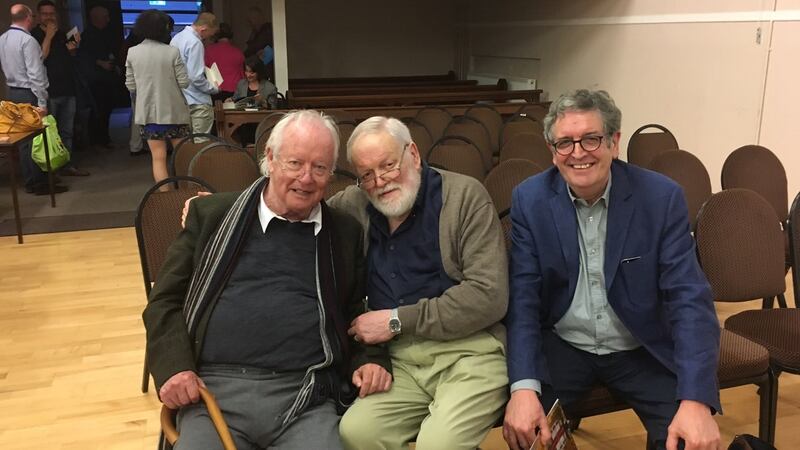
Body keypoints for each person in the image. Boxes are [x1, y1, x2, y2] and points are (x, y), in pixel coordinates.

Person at [144, 110, 389, 450]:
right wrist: (174, 368)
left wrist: (369, 360)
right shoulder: (213, 216)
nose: (306, 178)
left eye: (320, 168)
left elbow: (355, 313)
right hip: (214, 393)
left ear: (331, 173)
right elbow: (165, 301)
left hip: (306, 396)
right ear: (270, 159)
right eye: (295, 163)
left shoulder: (344, 233)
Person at [503, 89, 721, 450]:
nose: (578, 153)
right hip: (564, 345)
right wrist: (523, 387)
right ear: (552, 151)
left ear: (614, 142)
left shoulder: (661, 198)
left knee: (687, 441)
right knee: (530, 434)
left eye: (591, 139)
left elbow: (689, 299)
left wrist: (697, 401)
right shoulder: (531, 199)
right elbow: (523, 299)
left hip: (641, 345)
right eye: (565, 143)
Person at [330, 117, 509, 450]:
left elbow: (489, 296)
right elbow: (297, 207)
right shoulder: (354, 204)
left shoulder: (464, 197)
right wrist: (220, 207)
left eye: (388, 165)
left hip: (470, 354)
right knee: (356, 432)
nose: (380, 181)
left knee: (437, 445)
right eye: (367, 174)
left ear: (412, 153)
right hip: (402, 362)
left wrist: (397, 320)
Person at [0, 3, 69, 195]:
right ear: (29, 18)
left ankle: (31, 180)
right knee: (37, 141)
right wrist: (42, 102)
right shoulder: (27, 41)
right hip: (29, 92)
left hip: (13, 92)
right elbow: (36, 74)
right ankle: (39, 182)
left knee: (23, 142)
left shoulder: (3, 39)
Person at [125, 10, 190, 189]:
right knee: (181, 156)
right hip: (174, 112)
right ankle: (185, 193)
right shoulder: (172, 52)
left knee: (158, 158)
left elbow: (130, 86)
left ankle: (166, 198)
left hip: (149, 115)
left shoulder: (132, 52)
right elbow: (184, 82)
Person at [31, 0, 90, 176]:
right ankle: (51, 170)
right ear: (38, 16)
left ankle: (67, 164)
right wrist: (48, 36)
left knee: (67, 130)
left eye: (52, 13)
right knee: (50, 133)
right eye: (45, 14)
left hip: (68, 88)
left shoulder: (62, 34)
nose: (49, 17)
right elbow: (40, 58)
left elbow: (69, 60)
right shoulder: (33, 35)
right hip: (49, 91)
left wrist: (72, 49)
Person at [79, 4, 122, 148]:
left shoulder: (105, 33)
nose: (108, 20)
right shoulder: (87, 35)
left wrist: (114, 66)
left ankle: (104, 137)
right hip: (95, 80)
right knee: (98, 111)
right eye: (105, 17)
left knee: (107, 109)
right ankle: (97, 139)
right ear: (96, 18)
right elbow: (83, 56)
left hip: (106, 78)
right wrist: (100, 63)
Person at [170, 12, 220, 135]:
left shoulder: (176, 38)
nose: (208, 38)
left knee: (184, 145)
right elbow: (195, 77)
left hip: (180, 99)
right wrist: (213, 88)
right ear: (204, 29)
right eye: (210, 34)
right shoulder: (195, 43)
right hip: (198, 101)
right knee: (200, 144)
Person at [204, 22, 244, 104]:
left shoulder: (209, 50)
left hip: (216, 89)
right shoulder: (238, 52)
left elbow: (205, 70)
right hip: (234, 89)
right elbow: (242, 74)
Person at [244, 6, 274, 82]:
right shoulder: (254, 34)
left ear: (259, 18)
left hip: (267, 71)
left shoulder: (267, 31)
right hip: (258, 71)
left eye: (252, 19)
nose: (250, 22)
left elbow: (254, 49)